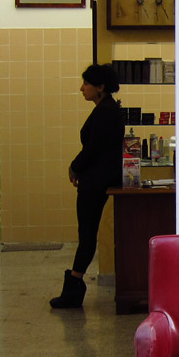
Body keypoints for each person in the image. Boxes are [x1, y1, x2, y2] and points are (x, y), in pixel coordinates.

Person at [49, 64, 125, 309]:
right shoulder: (107, 109)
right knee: (87, 232)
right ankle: (74, 283)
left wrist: (74, 167)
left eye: (86, 84)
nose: (82, 88)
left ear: (100, 86)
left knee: (87, 232)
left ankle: (74, 286)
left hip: (96, 180)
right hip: (98, 177)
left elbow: (93, 148)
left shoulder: (106, 112)